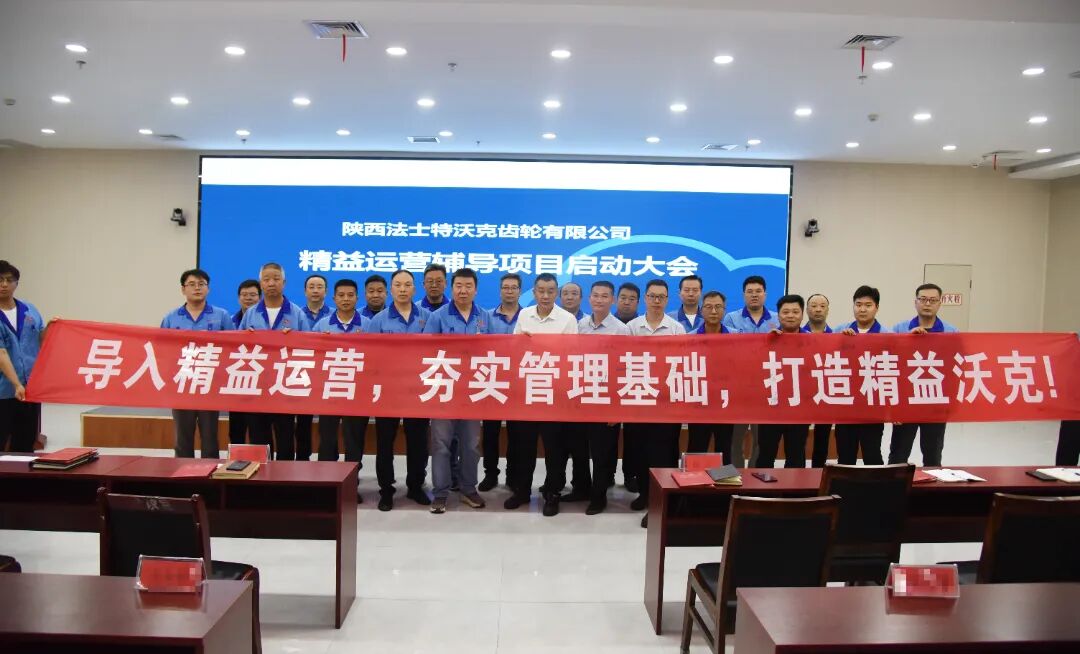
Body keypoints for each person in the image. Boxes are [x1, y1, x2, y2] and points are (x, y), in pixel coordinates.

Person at [508, 273, 579, 516]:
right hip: (527, 392)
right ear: (534, 292)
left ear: (556, 293)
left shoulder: (568, 319)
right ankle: (521, 491)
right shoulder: (524, 315)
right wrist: (523, 343)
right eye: (541, 290)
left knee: (554, 449)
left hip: (555, 394)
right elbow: (514, 350)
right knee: (524, 447)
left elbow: (572, 356)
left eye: (550, 291)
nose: (545, 295)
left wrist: (542, 346)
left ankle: (552, 493)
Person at [422, 267, 489, 514]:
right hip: (444, 390)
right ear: (452, 289)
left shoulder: (485, 317)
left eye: (468, 286)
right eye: (458, 286)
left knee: (471, 445)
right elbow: (426, 352)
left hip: (473, 391)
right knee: (441, 444)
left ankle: (468, 489)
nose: (463, 290)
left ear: (476, 290)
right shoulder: (438, 317)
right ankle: (440, 493)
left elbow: (497, 351)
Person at [366, 269, 433, 511]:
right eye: (398, 285)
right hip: (388, 391)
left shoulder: (428, 318)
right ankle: (386, 489)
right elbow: (371, 357)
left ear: (414, 289)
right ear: (390, 290)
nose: (403, 289)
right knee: (385, 443)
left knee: (418, 442)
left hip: (418, 390)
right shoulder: (379, 320)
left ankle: (415, 486)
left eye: (407, 285)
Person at [627, 279, 686, 527]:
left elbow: (682, 364)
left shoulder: (676, 328)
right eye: (652, 296)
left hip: (665, 402)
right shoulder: (632, 327)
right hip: (638, 399)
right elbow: (623, 360)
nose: (656, 301)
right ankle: (644, 493)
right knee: (640, 451)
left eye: (661, 297)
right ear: (645, 299)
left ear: (667, 299)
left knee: (663, 453)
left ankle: (660, 500)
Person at [239, 262, 311, 460]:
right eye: (267, 279)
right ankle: (262, 478)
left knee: (285, 439)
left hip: (285, 387)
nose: (271, 283)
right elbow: (237, 349)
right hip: (257, 387)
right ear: (261, 283)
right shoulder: (251, 313)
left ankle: (284, 478)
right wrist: (246, 337)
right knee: (259, 441)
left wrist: (294, 338)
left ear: (284, 283)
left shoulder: (296, 313)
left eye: (276, 279)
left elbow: (309, 348)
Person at [160, 268, 234, 458]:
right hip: (182, 384)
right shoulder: (171, 318)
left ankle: (210, 473)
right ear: (183, 289)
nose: (197, 288)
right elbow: (162, 350)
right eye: (192, 284)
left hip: (210, 384)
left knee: (210, 437)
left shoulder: (222, 316)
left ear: (208, 288)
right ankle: (184, 474)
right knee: (182, 438)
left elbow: (234, 347)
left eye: (201, 284)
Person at [887, 283, 960, 467]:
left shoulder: (951, 332)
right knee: (898, 454)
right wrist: (907, 340)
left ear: (940, 303)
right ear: (915, 302)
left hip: (935, 402)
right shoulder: (899, 329)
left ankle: (931, 485)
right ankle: (893, 485)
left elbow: (956, 367)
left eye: (933, 300)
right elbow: (889, 365)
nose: (927, 304)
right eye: (923, 299)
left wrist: (951, 402)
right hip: (905, 403)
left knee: (933, 455)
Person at [576, 280, 630, 514]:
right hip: (581, 395)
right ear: (589, 298)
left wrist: (617, 407)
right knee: (579, 448)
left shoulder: (621, 329)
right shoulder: (580, 325)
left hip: (606, 398)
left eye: (605, 296)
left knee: (601, 453)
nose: (599, 300)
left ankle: (599, 497)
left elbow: (625, 368)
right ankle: (581, 489)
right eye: (595, 295)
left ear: (613, 300)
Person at [313, 279, 369, 502]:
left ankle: (350, 487)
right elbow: (311, 354)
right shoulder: (322, 325)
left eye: (350, 295)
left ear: (357, 298)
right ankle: (328, 486)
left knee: (354, 442)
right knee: (327, 441)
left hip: (357, 393)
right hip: (329, 392)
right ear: (334, 298)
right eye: (341, 295)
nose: (346, 299)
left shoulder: (368, 325)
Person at [723, 275, 779, 468]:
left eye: (758, 291)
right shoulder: (731, 318)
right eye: (750, 292)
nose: (754, 295)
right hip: (738, 387)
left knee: (761, 438)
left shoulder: (777, 319)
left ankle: (755, 475)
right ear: (743, 295)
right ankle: (735, 475)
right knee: (734, 438)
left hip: (766, 387)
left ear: (765, 294)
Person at [834, 285, 887, 465]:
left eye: (868, 305)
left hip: (873, 406)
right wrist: (840, 341)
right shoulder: (839, 331)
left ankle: (875, 484)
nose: (862, 309)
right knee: (845, 456)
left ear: (876, 307)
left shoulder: (887, 335)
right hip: (845, 405)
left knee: (872, 455)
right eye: (858, 305)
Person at [480, 273, 523, 493]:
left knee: (516, 433)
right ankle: (490, 474)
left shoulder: (528, 316)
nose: (509, 291)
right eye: (505, 287)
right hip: (492, 380)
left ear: (520, 291)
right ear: (500, 291)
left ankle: (513, 475)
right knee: (490, 433)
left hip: (518, 383)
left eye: (513, 287)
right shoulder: (486, 317)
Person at [757, 295, 810, 468]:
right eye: (786, 312)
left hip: (800, 410)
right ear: (778, 315)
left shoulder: (813, 341)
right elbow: (755, 367)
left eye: (795, 312)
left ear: (802, 315)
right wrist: (766, 343)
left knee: (796, 456)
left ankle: (795, 487)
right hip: (771, 409)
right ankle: (761, 486)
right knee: (765, 455)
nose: (790, 316)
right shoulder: (768, 338)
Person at [686, 291, 735, 466]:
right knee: (697, 446)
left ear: (724, 310)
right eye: (708, 307)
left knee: (724, 447)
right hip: (699, 403)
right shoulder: (690, 338)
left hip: (726, 402)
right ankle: (693, 481)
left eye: (718, 307)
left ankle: (724, 482)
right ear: (701, 311)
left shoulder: (737, 337)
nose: (713, 311)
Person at [0, 260, 41, 452]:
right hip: (4, 392)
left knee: (25, 445)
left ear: (17, 283)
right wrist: (16, 384)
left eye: (9, 280)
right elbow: (1, 353)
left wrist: (53, 327)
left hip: (30, 391)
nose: (4, 284)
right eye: (0, 280)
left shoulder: (29, 309)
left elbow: (41, 338)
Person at [294, 274, 332, 460]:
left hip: (327, 376)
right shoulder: (296, 314)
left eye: (319, 287)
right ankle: (302, 458)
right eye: (311, 287)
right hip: (302, 374)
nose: (315, 290)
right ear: (305, 291)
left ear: (326, 291)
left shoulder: (335, 315)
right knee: (303, 421)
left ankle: (328, 461)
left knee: (328, 423)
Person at [614, 281, 642, 491]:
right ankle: (607, 475)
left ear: (638, 302)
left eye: (632, 299)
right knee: (609, 436)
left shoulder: (641, 325)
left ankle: (631, 475)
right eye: (623, 298)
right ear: (616, 299)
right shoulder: (608, 322)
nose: (626, 302)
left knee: (634, 435)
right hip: (609, 385)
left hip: (636, 384)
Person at [802, 293, 834, 467]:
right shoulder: (796, 335)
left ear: (828, 310)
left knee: (822, 439)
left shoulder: (837, 336)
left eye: (822, 306)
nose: (818, 310)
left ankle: (819, 475)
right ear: (807, 310)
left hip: (825, 392)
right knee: (799, 438)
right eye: (813, 306)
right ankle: (799, 475)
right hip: (802, 394)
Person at [228, 279, 262, 445]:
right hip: (236, 381)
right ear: (238, 297)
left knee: (257, 429)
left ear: (260, 297)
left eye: (253, 295)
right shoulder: (229, 321)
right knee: (236, 428)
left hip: (259, 382)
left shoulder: (264, 321)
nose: (248, 298)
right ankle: (236, 458)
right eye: (244, 295)